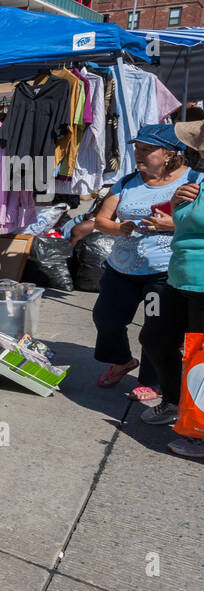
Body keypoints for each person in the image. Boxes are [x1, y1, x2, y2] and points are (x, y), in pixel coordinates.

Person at [90, 124, 201, 401]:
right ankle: (122, 360)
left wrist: (170, 224)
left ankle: (153, 381)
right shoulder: (127, 182)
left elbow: (197, 224)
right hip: (122, 271)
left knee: (156, 328)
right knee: (107, 317)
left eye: (148, 149)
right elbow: (101, 220)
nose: (139, 154)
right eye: (138, 148)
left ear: (169, 154)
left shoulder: (194, 179)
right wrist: (120, 228)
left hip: (161, 274)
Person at [139, 120, 204, 458]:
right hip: (178, 277)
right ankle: (174, 401)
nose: (195, 151)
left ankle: (199, 432)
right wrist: (178, 204)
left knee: (200, 360)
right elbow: (186, 225)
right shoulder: (196, 181)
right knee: (154, 337)